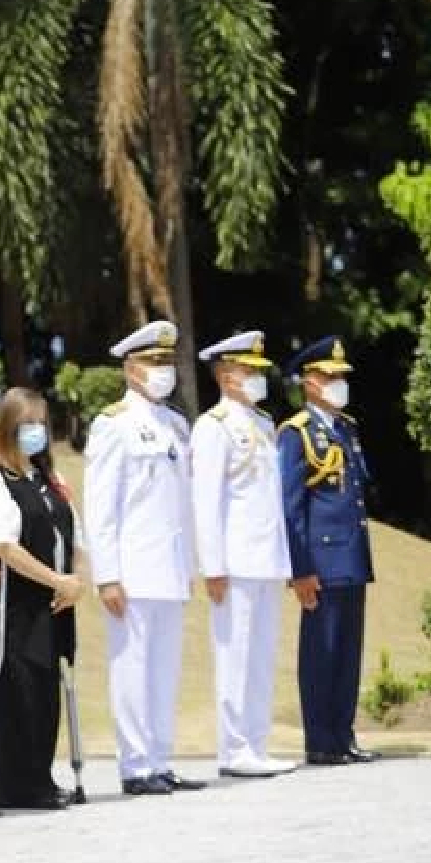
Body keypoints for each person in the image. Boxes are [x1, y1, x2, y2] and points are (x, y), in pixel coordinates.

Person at [85, 319, 204, 797]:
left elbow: (183, 506)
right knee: (132, 668)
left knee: (164, 670)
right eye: (154, 362)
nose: (164, 371)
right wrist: (107, 575)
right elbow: (101, 505)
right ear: (131, 369)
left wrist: (188, 565)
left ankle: (159, 757)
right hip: (133, 570)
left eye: (167, 362)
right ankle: (135, 764)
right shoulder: (113, 424)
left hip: (169, 569)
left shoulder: (176, 424)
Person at [0, 388, 86, 810]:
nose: (36, 433)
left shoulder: (47, 480)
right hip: (18, 601)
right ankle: (20, 783)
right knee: (20, 687)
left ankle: (42, 774)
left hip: (56, 599)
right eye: (27, 425)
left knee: (47, 688)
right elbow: (4, 545)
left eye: (41, 424)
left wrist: (73, 580)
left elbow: (74, 533)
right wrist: (55, 579)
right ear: (7, 429)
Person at [193, 332, 296, 779]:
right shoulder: (213, 426)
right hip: (234, 563)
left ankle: (256, 742)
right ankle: (233, 748)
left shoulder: (263, 423)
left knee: (260, 656)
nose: (257, 378)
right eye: (249, 371)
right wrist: (213, 566)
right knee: (235, 656)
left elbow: (270, 499)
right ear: (225, 375)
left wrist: (284, 561)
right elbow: (207, 500)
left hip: (266, 560)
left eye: (258, 371)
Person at [280, 336, 379, 766]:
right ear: (310, 383)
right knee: (322, 652)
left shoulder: (346, 428)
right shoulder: (297, 432)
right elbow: (291, 505)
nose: (339, 383)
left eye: (342, 377)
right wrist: (300, 570)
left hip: (351, 557)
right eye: (330, 377)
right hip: (319, 561)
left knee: (347, 652)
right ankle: (320, 740)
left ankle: (343, 734)